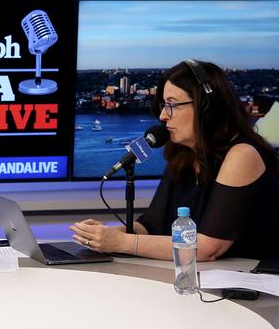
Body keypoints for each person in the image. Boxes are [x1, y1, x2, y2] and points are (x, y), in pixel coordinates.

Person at [70, 59, 279, 261]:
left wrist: (122, 242)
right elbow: (151, 226)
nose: (162, 115)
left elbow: (208, 248)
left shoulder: (243, 154)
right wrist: (104, 235)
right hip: (197, 279)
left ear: (206, 107)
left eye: (172, 105)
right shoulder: (184, 153)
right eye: (163, 105)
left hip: (249, 285)